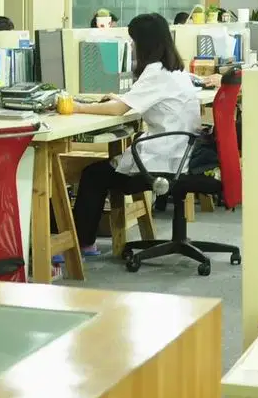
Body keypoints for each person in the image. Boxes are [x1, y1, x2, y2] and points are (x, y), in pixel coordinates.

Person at [70, 14, 203, 257]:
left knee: (93, 175)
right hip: (180, 152)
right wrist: (120, 99)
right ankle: (84, 241)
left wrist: (77, 107)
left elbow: (121, 110)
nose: (131, 47)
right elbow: (133, 102)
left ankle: (81, 244)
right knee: (100, 172)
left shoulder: (155, 72)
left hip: (164, 159)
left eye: (133, 42)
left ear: (144, 43)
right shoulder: (174, 70)